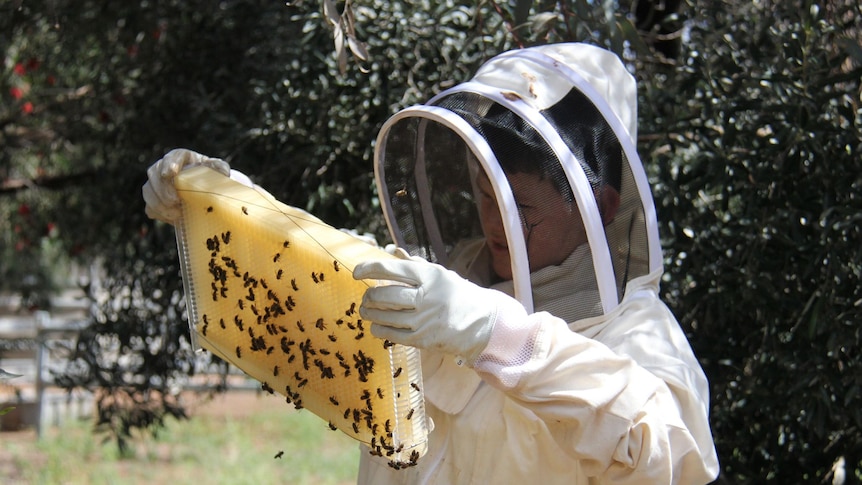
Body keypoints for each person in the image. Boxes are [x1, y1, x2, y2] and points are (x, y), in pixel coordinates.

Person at [143, 42, 719, 484]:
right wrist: (220, 207)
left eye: (522, 207)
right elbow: (313, 286)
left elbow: (666, 455)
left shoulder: (636, 330)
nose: (496, 223)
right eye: (486, 196)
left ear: (598, 205)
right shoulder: (434, 290)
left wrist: (501, 335)